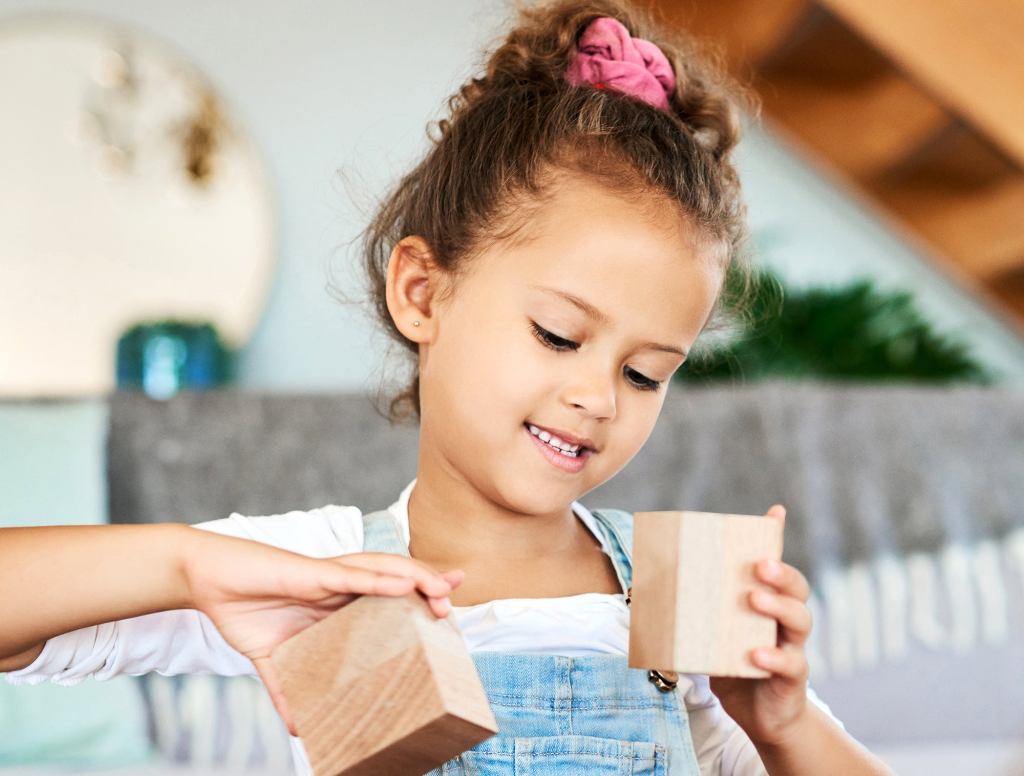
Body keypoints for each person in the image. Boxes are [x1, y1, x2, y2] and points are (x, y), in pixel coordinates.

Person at [1, 1, 895, 773]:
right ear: (421, 292)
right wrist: (188, 566)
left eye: (645, 372)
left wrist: (782, 728)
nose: (599, 396)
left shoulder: (663, 596)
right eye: (557, 334)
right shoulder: (323, 574)